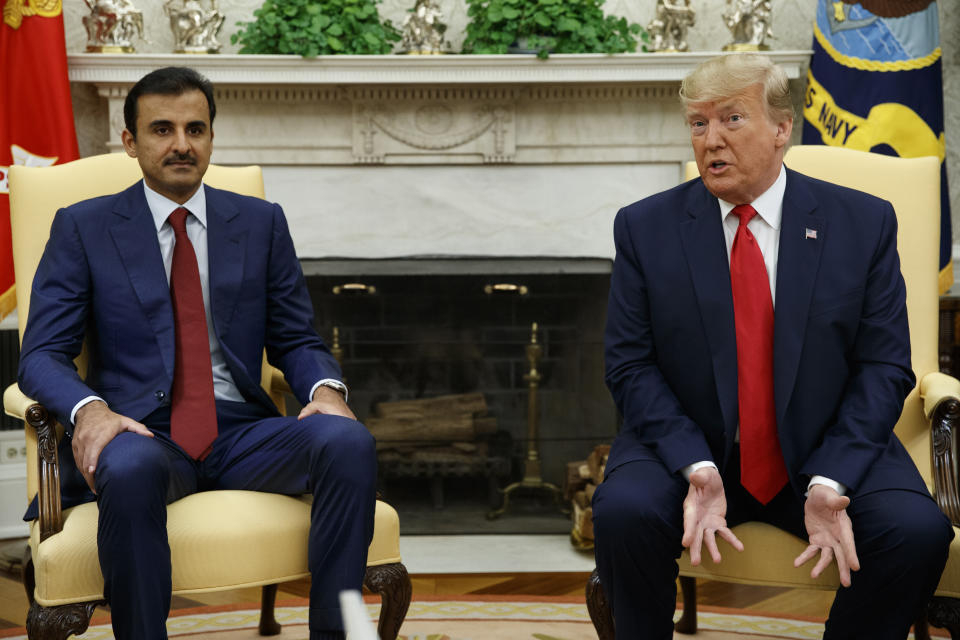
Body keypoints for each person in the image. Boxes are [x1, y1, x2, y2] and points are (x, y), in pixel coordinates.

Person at [592, 53, 953, 639]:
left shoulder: (861, 224)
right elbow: (629, 364)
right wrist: (696, 464)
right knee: (623, 514)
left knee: (916, 532)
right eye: (698, 123)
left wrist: (833, 477)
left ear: (782, 129)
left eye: (731, 119)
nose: (711, 140)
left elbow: (884, 365)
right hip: (693, 446)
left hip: (824, 444)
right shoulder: (645, 228)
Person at [17, 66, 375, 640]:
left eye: (195, 129)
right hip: (141, 428)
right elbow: (40, 355)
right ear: (130, 142)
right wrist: (90, 410)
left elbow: (296, 338)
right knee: (128, 466)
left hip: (241, 433)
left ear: (211, 136)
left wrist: (325, 390)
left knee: (348, 439)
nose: (181, 144)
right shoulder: (84, 228)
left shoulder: (260, 223)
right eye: (162, 129)